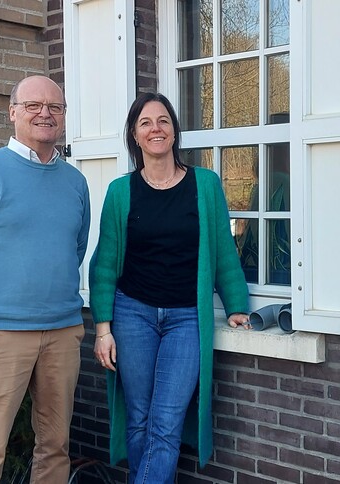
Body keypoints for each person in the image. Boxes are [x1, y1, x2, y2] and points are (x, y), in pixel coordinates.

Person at [89, 92, 251, 483]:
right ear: (135, 135)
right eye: (145, 122)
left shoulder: (205, 185)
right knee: (140, 418)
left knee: (165, 421)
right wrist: (103, 328)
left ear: (175, 132)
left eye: (163, 121)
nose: (155, 128)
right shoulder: (120, 192)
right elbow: (105, 264)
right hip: (132, 314)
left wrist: (236, 305)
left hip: (185, 318)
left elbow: (223, 253)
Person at [0, 75, 91, 483]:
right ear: (12, 113)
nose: (45, 113)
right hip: (2, 337)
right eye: (33, 105)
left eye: (55, 107)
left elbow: (73, 250)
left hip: (62, 332)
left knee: (55, 446)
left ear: (63, 117)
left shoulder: (75, 182)